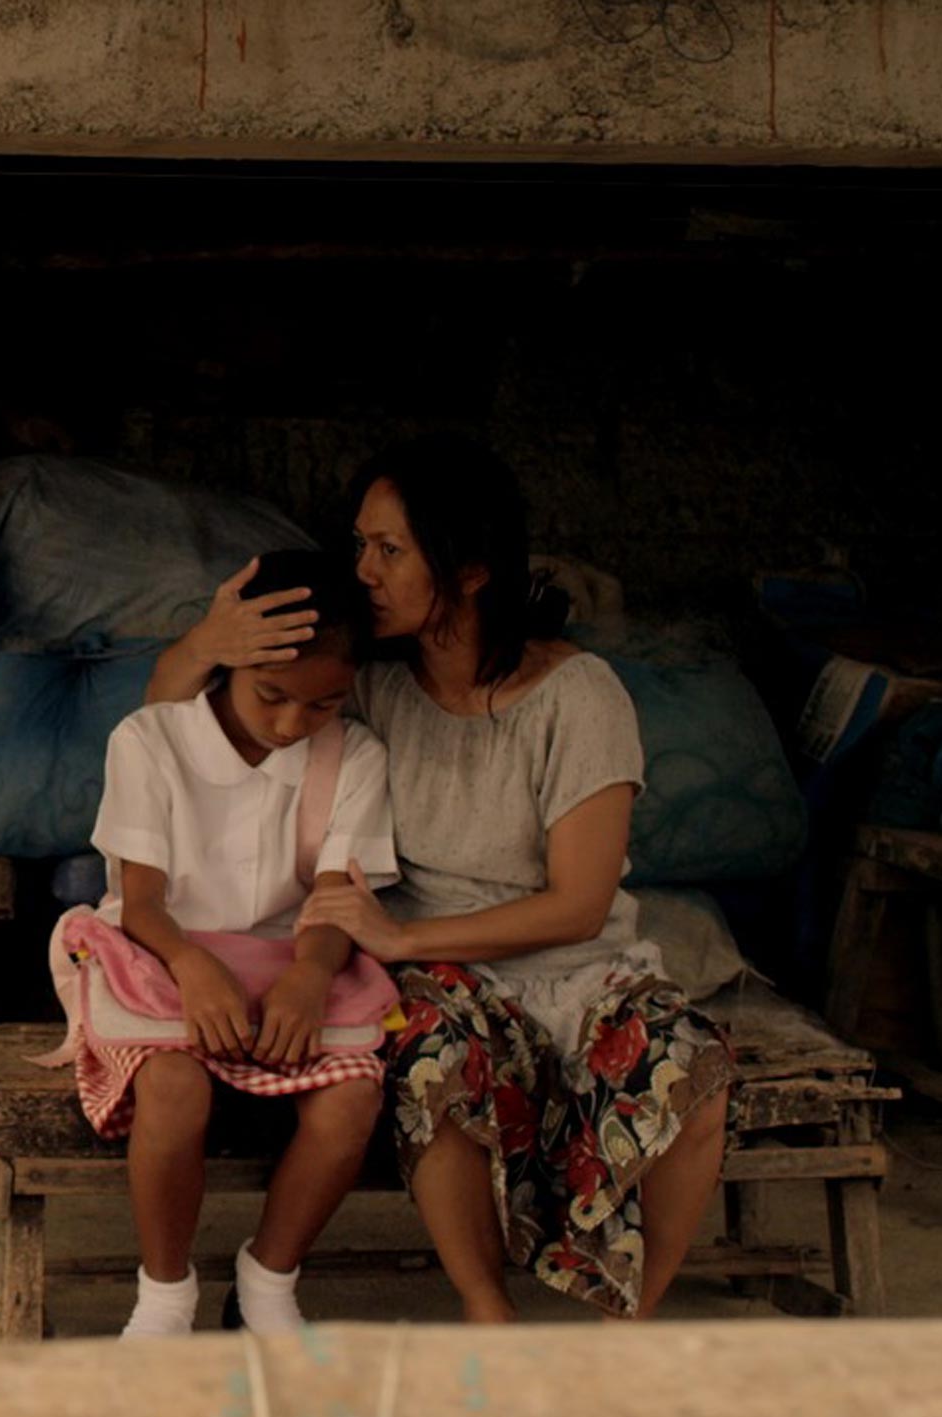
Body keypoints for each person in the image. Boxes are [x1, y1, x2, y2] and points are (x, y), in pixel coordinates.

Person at [148, 435, 732, 1322]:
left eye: (390, 550)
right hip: (440, 980)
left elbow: (579, 904)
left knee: (689, 1072)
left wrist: (404, 936)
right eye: (360, 547)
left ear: (468, 570)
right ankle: (485, 1309)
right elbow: (166, 732)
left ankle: (632, 1329)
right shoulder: (371, 687)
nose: (365, 571)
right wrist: (206, 641)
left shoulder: (581, 696)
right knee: (432, 1049)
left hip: (577, 966)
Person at [64, 548, 398, 1338]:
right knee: (175, 1089)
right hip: (158, 953)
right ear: (230, 664)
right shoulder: (150, 740)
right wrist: (191, 964)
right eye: (271, 695)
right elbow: (140, 902)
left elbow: (335, 898)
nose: (290, 724)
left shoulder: (357, 756)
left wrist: (311, 977)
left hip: (297, 960)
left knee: (351, 1098)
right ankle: (165, 1294)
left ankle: (268, 1281)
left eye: (319, 706)